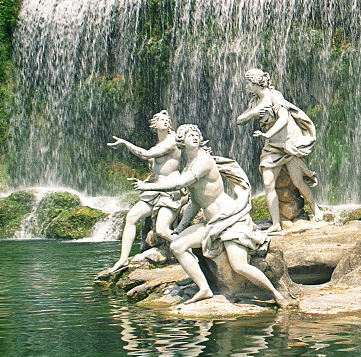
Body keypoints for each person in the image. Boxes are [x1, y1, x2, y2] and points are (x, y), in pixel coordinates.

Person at [135, 124, 288, 307]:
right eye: (190, 135)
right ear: (181, 141)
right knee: (177, 246)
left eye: (196, 134)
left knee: (239, 265)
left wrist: (148, 187)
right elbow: (195, 202)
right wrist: (182, 226)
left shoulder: (204, 161)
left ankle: (276, 294)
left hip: (231, 220)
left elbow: (179, 184)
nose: (194, 137)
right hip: (212, 222)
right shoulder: (188, 166)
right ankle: (204, 289)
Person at [236, 68, 322, 230]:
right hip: (271, 146)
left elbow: (283, 118)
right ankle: (276, 223)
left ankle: (315, 207)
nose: (246, 86)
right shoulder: (254, 101)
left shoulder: (274, 96)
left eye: (248, 83)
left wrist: (268, 134)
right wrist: (252, 114)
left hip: (288, 143)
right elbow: (240, 120)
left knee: (298, 181)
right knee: (268, 183)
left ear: (256, 82)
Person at [105, 110, 181, 272]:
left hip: (170, 187)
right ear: (155, 125)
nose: (165, 121)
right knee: (131, 217)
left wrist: (125, 143)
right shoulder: (158, 144)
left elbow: (146, 155)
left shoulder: (172, 140)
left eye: (167, 120)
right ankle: (123, 259)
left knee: (162, 229)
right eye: (161, 119)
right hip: (153, 188)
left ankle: (185, 249)